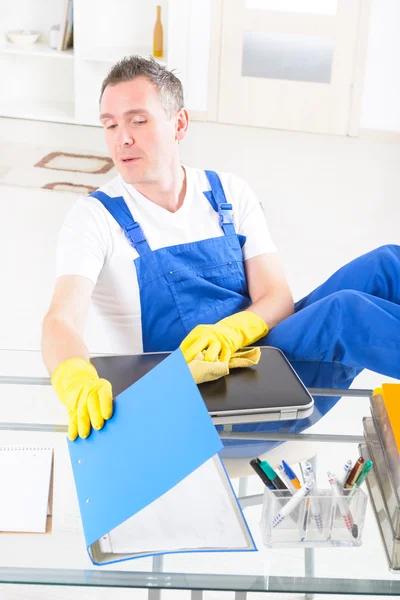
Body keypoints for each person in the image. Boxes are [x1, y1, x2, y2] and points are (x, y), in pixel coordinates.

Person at [42, 55, 400, 445]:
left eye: (137, 120)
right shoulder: (94, 218)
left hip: (262, 366)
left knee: (387, 263)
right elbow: (61, 320)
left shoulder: (226, 193)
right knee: (344, 312)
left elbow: (276, 297)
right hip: (200, 405)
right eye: (109, 125)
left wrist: (231, 331)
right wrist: (75, 380)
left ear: (179, 123)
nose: (121, 138)